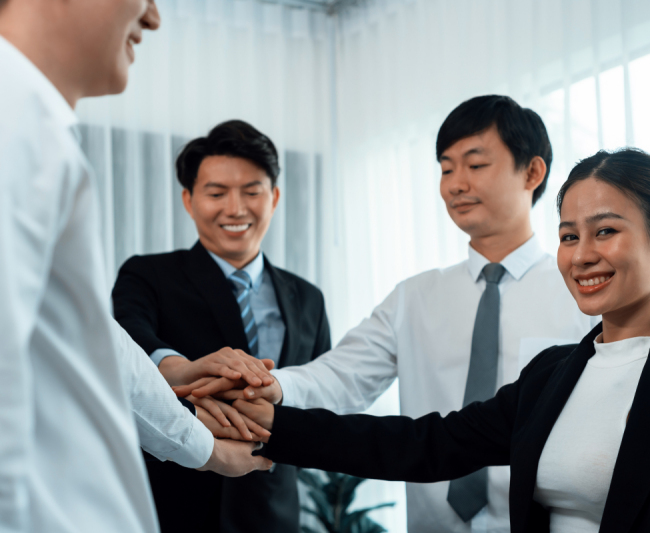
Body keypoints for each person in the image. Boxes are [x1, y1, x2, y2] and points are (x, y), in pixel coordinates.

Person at [233, 148, 650, 533]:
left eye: (606, 231)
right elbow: (427, 446)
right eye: (569, 235)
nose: (582, 254)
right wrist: (266, 423)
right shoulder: (553, 374)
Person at [177, 95, 594, 533]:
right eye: (446, 168)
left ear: (532, 171)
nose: (455, 184)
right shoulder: (413, 297)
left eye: (475, 164)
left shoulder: (583, 294)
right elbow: (338, 377)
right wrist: (265, 385)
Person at [0, 2, 272, 532]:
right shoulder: (15, 128)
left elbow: (98, 346)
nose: (153, 18)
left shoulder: (34, 127)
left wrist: (202, 443)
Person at [112, 119, 332, 533]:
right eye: (217, 193)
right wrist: (177, 367)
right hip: (173, 505)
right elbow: (127, 340)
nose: (235, 209)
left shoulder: (309, 298)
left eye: (252, 192)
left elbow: (321, 387)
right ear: (189, 201)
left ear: (275, 197)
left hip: (274, 512)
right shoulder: (148, 274)